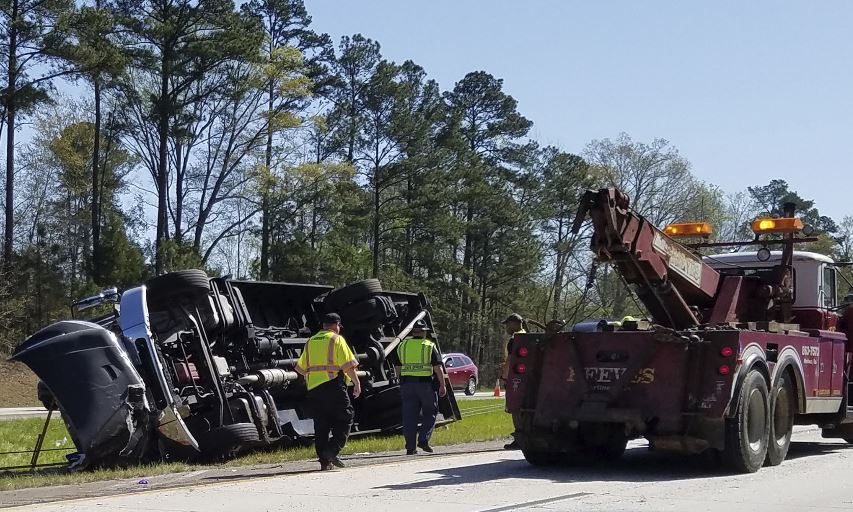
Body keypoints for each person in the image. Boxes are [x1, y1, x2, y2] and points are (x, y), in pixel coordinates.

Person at [295, 312, 362, 471]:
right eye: (339, 326)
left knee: (321, 425)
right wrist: (357, 383)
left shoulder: (310, 341)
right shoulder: (336, 339)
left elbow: (300, 369)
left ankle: (324, 462)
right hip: (333, 386)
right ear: (335, 325)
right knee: (345, 417)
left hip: (314, 390)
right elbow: (348, 366)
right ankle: (332, 451)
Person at [390, 319, 447, 455]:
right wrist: (442, 385)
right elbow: (438, 368)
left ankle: (410, 447)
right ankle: (423, 439)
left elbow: (397, 367)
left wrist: (400, 381)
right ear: (424, 332)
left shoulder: (402, 345)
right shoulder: (429, 345)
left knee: (409, 416)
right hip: (425, 385)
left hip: (407, 385)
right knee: (430, 412)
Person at [500, 313, 526, 450]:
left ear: (515, 323)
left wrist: (504, 377)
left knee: (515, 408)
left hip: (516, 380)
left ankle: (519, 439)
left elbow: (511, 360)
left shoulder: (515, 339)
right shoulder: (527, 336)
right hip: (527, 380)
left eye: (507, 324)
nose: (506, 327)